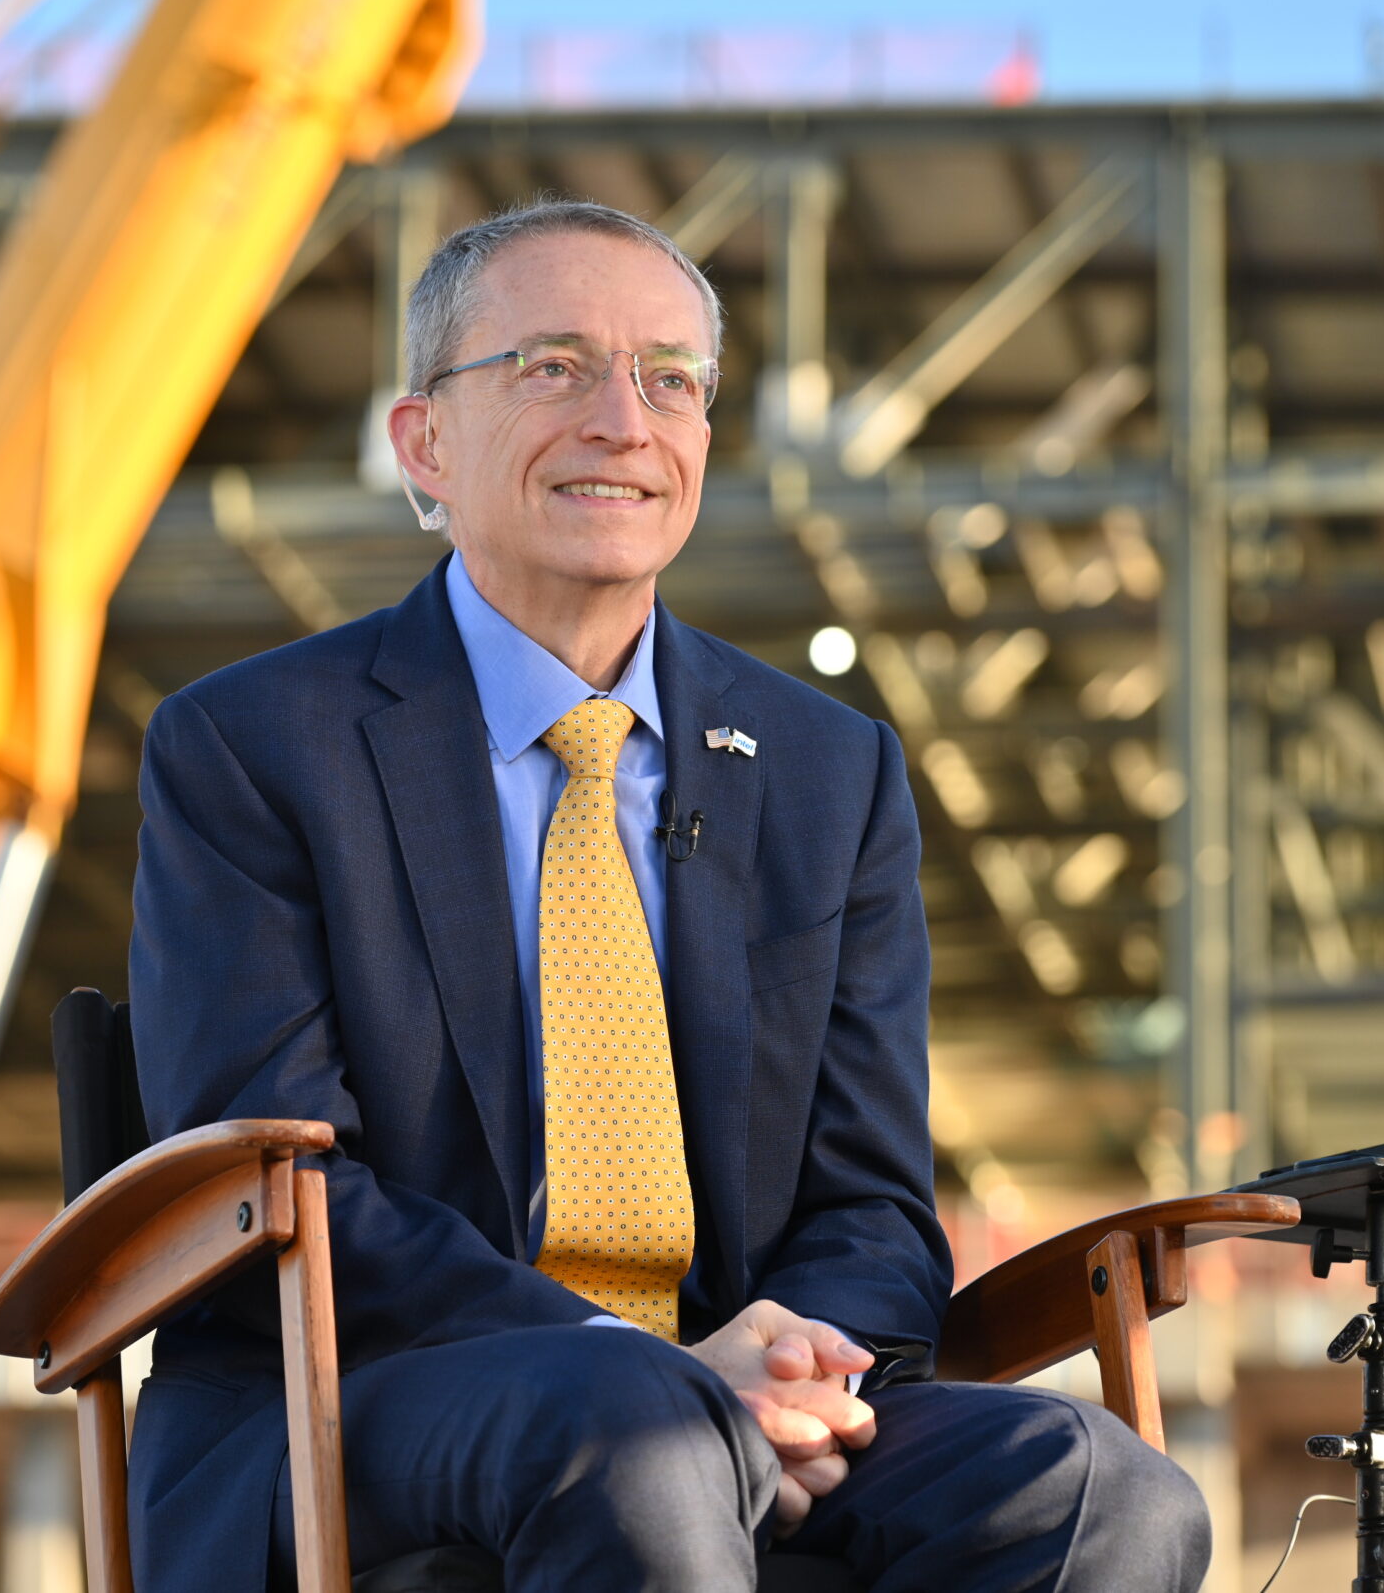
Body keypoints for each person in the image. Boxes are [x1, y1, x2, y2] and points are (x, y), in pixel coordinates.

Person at [124, 198, 1208, 1593]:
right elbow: (277, 1182)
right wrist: (655, 1372)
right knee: (643, 1436)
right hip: (366, 1404)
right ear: (424, 444)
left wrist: (798, 1369)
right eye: (554, 368)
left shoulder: (830, 772)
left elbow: (873, 1205)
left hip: (740, 1396)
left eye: (671, 380)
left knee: (1105, 1495)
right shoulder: (256, 746)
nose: (623, 423)